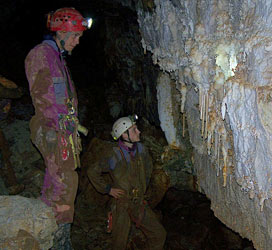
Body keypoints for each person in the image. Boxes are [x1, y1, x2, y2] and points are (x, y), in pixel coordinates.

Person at [24, 7, 92, 249]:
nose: (77, 41)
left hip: (62, 131)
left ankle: (55, 233)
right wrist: (60, 123)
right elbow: (42, 96)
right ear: (61, 32)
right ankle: (58, 239)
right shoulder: (42, 55)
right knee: (63, 182)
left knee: (62, 180)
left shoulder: (57, 57)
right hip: (53, 130)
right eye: (74, 36)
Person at [87, 115, 166, 250]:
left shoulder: (142, 150)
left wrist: (142, 188)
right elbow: (92, 171)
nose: (139, 131)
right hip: (122, 203)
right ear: (124, 135)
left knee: (159, 234)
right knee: (119, 244)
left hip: (139, 201)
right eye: (134, 129)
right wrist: (108, 189)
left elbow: (148, 168)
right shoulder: (114, 155)